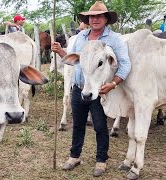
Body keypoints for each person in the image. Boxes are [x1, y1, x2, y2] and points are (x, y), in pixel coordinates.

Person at [51, 0, 131, 177]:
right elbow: (76, 60)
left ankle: (101, 160)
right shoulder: (81, 37)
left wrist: (113, 84)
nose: (95, 19)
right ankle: (74, 156)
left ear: (106, 19)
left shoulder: (114, 39)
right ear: (88, 19)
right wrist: (61, 52)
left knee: (100, 126)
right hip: (79, 87)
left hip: (101, 90)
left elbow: (125, 64)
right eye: (92, 16)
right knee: (78, 124)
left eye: (99, 16)